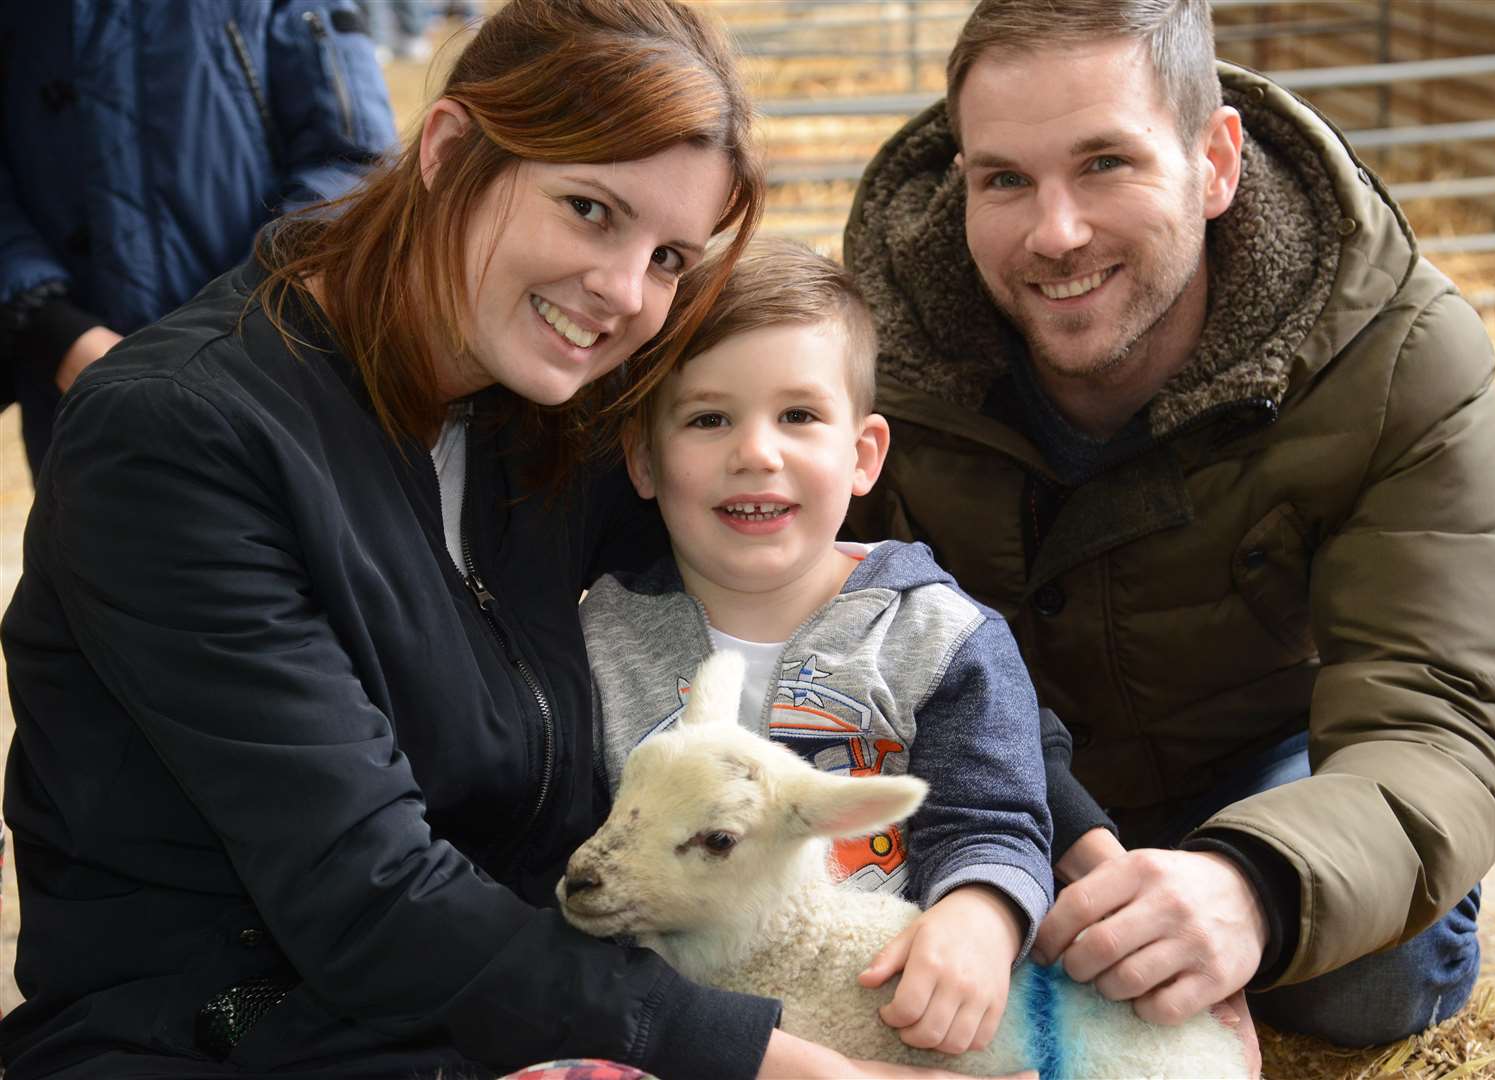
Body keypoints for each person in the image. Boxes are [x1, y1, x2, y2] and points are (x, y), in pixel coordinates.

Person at [0, 3, 994, 1077]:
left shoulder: (541, 412)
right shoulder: (178, 439)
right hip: (229, 1034)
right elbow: (364, 894)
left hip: (498, 1017)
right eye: (587, 208)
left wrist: (1010, 863)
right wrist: (777, 1062)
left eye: (666, 255)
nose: (620, 293)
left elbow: (849, 587)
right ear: (449, 150)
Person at [843, 0, 1495, 1051]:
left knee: (1372, 981)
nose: (1055, 233)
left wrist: (1254, 884)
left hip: (1260, 772)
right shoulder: (874, 350)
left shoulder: (1398, 353)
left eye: (1106, 163)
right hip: (987, 773)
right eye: (1005, 179)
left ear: (1213, 162)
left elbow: (1442, 709)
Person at [580, 238, 1118, 1058]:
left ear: (863, 455)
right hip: (680, 1036)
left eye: (798, 416)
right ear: (645, 459)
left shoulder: (941, 635)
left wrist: (979, 914)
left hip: (884, 1021)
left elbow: (995, 812)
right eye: (709, 417)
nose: (756, 452)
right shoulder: (600, 640)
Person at [0, 0, 397, 478]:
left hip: (272, 371)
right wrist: (56, 331)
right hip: (75, 383)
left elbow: (353, 168)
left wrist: (246, 321)